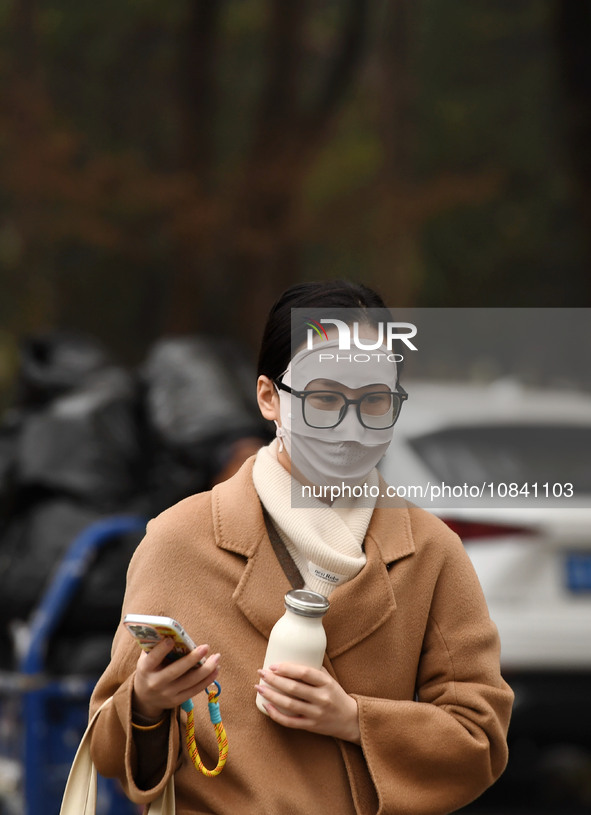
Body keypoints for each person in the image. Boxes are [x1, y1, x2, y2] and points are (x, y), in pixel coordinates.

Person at [88, 280, 514, 815]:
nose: (351, 427)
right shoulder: (180, 540)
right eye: (324, 399)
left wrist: (354, 719)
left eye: (375, 401)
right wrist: (146, 703)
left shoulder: (431, 550)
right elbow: (107, 746)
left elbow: (480, 737)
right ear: (269, 397)